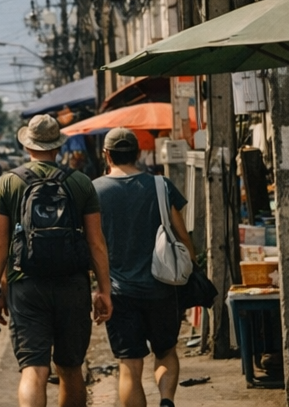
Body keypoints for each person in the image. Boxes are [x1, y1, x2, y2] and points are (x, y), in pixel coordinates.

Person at [0, 113, 113, 407]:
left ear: (28, 146)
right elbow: (96, 242)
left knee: (34, 369)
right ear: (58, 148)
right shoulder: (81, 182)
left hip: (26, 286)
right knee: (70, 369)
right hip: (73, 285)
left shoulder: (8, 183)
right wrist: (103, 290)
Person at [93, 128, 193, 407]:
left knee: (129, 365)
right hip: (162, 286)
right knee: (166, 351)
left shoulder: (94, 190)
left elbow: (90, 243)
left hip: (118, 292)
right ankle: (166, 400)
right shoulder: (161, 186)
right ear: (137, 154)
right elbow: (183, 236)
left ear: (107, 155)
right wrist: (190, 270)